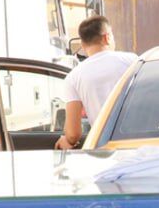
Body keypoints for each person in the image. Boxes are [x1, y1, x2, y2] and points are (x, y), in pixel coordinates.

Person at [55, 15, 138, 150]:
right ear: (107, 38)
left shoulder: (73, 77)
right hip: (138, 144)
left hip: (105, 150)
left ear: (83, 45)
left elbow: (73, 134)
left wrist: (66, 140)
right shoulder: (132, 61)